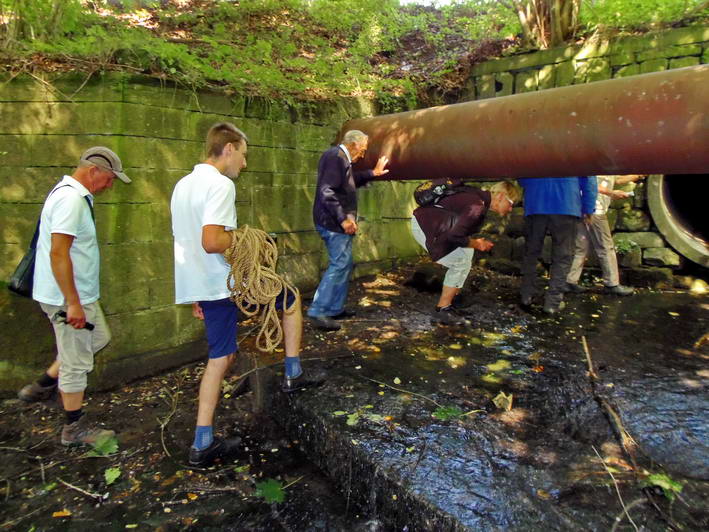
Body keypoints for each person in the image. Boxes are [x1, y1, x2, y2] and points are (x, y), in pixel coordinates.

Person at [171, 122, 313, 468]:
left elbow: (186, 241)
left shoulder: (183, 185)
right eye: (244, 156)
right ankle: (294, 375)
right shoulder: (219, 185)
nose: (244, 165)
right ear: (229, 148)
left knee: (221, 358)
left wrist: (195, 295)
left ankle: (202, 443)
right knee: (291, 300)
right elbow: (211, 241)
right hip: (227, 283)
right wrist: (250, 238)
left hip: (203, 285)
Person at [18, 147, 131, 446]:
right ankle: (74, 428)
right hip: (67, 298)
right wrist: (73, 303)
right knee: (76, 362)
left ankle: (42, 385)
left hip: (73, 295)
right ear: (93, 171)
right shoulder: (71, 200)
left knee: (97, 338)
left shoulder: (70, 193)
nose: (110, 185)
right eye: (109, 179)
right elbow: (59, 252)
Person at [307, 130, 389, 331]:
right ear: (353, 144)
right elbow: (327, 191)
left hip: (337, 222)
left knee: (344, 264)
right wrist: (343, 219)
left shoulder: (341, 158)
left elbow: (350, 181)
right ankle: (318, 311)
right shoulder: (336, 157)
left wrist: (373, 173)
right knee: (340, 264)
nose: (363, 154)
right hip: (333, 222)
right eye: (362, 149)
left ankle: (334, 308)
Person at [411, 180, 520, 325]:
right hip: (425, 227)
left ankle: (451, 302)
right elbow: (454, 236)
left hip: (432, 225)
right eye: (511, 203)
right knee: (460, 261)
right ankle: (442, 310)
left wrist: (472, 244)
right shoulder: (477, 205)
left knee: (467, 254)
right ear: (500, 196)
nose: (511, 208)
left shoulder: (478, 197)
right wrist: (477, 244)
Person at [518, 177, 597, 315]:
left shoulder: (533, 153)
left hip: (536, 201)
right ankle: (552, 302)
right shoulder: (579, 154)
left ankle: (526, 295)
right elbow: (589, 179)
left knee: (531, 251)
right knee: (563, 255)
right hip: (566, 203)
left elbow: (522, 178)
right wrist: (588, 208)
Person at [566, 175, 646, 295]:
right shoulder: (596, 165)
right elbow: (590, 185)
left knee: (581, 247)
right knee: (605, 247)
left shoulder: (604, 167)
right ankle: (612, 284)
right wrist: (612, 193)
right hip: (595, 210)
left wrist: (636, 176)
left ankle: (569, 281)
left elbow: (616, 179)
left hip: (582, 208)